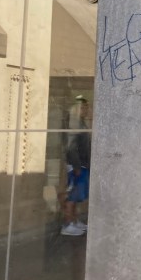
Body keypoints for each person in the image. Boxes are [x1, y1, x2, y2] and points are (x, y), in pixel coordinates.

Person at [62, 96, 91, 236]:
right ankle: (67, 224)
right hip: (76, 165)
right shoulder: (74, 123)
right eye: (84, 107)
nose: (87, 110)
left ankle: (73, 221)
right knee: (72, 196)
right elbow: (71, 147)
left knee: (77, 195)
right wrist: (77, 166)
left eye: (87, 107)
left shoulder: (80, 122)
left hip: (81, 164)